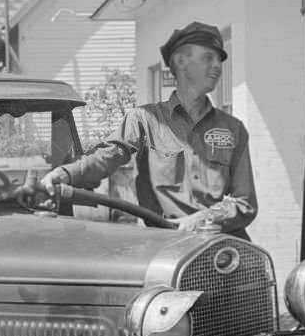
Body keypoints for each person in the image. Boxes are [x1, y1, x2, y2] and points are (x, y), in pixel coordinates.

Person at [40, 21, 256, 236]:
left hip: (226, 248)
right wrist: (66, 173)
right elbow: (106, 157)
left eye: (220, 59)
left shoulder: (233, 129)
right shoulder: (144, 120)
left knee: (259, 267)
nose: (218, 66)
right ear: (180, 62)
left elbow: (245, 203)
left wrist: (202, 218)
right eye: (208, 57)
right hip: (168, 245)